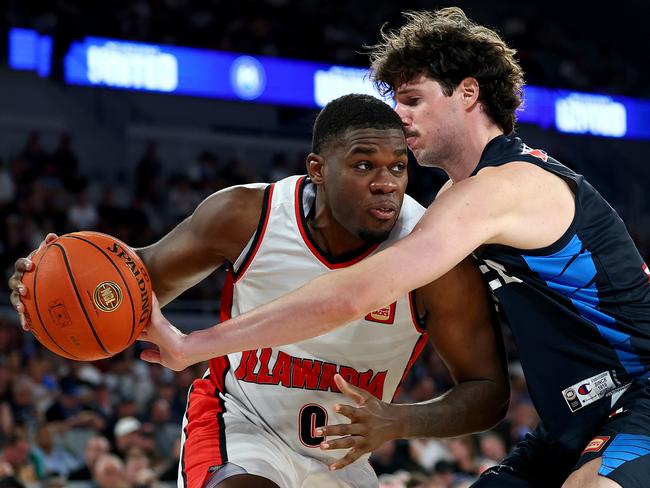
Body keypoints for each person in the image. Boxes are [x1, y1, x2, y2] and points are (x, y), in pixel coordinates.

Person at [124, 8, 649, 488]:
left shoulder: (504, 186)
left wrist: (195, 346)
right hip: (577, 418)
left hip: (639, 391)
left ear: (468, 94)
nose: (400, 116)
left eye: (413, 99)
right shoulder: (455, 198)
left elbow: (354, 294)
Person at [10, 94, 508, 487]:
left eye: (398, 167)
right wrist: (50, 289)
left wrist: (399, 421)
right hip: (238, 427)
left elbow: (487, 391)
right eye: (364, 165)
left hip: (341, 461)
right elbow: (136, 286)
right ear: (317, 169)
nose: (386, 183)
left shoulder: (435, 257)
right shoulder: (246, 216)